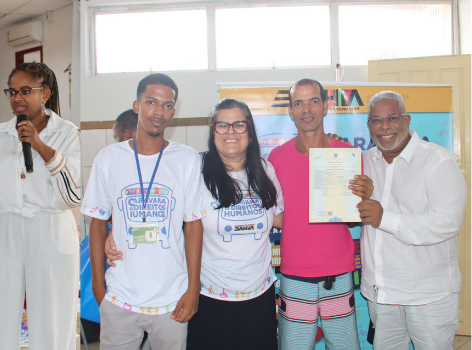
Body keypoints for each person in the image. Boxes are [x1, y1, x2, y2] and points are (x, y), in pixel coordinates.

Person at [107, 98, 285, 349]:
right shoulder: (194, 168)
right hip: (208, 295)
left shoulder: (266, 170)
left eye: (239, 125)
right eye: (222, 125)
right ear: (213, 132)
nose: (231, 131)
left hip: (258, 295)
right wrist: (115, 231)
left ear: (250, 131)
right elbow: (157, 209)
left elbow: (278, 218)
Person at [0, 62, 81, 350]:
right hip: (2, 229)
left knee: (52, 316)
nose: (17, 98)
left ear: (45, 94)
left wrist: (39, 144)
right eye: (12, 92)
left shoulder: (67, 133)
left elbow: (73, 192)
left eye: (25, 91)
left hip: (49, 230)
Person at [83, 73, 206, 349]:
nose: (159, 112)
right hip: (119, 296)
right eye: (151, 102)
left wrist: (192, 288)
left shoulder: (186, 159)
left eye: (167, 105)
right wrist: (98, 287)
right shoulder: (108, 158)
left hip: (172, 298)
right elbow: (98, 222)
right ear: (137, 105)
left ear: (174, 110)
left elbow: (193, 224)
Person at [357, 91, 465, 350]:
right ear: (369, 125)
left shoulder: (437, 160)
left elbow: (447, 222)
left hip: (429, 295)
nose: (384, 126)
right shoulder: (363, 162)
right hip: (382, 294)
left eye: (392, 118)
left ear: (407, 120)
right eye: (376, 120)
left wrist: (386, 218)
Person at [268, 78, 363, 350]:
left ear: (326, 107)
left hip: (338, 274)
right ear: (291, 111)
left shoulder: (347, 155)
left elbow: (355, 216)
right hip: (294, 275)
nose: (306, 108)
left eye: (313, 101)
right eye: (298, 102)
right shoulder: (276, 158)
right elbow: (271, 213)